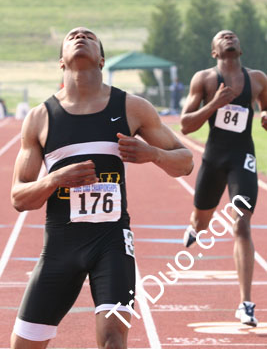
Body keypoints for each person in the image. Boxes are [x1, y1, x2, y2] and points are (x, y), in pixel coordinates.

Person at [10, 27, 193, 349]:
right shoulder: (40, 118)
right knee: (23, 345)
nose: (80, 35)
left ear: (102, 59)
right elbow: (19, 198)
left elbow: (185, 161)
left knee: (112, 339)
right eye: (72, 36)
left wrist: (154, 154)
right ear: (61, 62)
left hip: (111, 245)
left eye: (90, 36)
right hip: (59, 248)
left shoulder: (131, 107)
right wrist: (53, 179)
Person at [181, 30, 267, 327]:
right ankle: (194, 227)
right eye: (221, 37)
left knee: (241, 223)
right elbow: (185, 125)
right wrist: (213, 103)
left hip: (242, 158)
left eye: (233, 36)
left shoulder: (257, 79)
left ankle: (245, 304)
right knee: (201, 221)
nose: (229, 38)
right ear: (214, 52)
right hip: (213, 159)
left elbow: (266, 109)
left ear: (240, 49)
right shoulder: (204, 79)